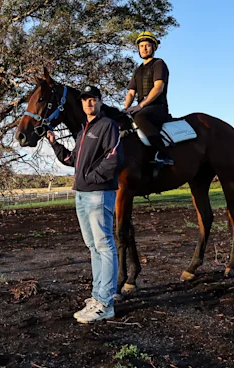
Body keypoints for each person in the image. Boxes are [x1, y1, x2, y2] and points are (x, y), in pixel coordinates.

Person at [46, 85, 123, 323]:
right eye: (85, 100)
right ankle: (97, 296)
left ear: (100, 102)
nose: (89, 103)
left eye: (93, 99)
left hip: (98, 194)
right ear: (81, 104)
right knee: (93, 246)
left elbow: (113, 158)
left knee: (104, 245)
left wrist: (90, 178)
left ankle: (106, 303)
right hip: (81, 194)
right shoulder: (83, 131)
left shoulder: (107, 125)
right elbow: (72, 159)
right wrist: (54, 143)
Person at [123, 31, 174, 165]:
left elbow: (158, 87)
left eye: (147, 45)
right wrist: (125, 109)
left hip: (158, 107)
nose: (144, 48)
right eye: (141, 46)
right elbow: (131, 93)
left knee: (140, 117)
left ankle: (163, 153)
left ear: (154, 47)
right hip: (143, 107)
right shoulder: (138, 70)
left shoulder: (159, 63)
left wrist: (140, 105)